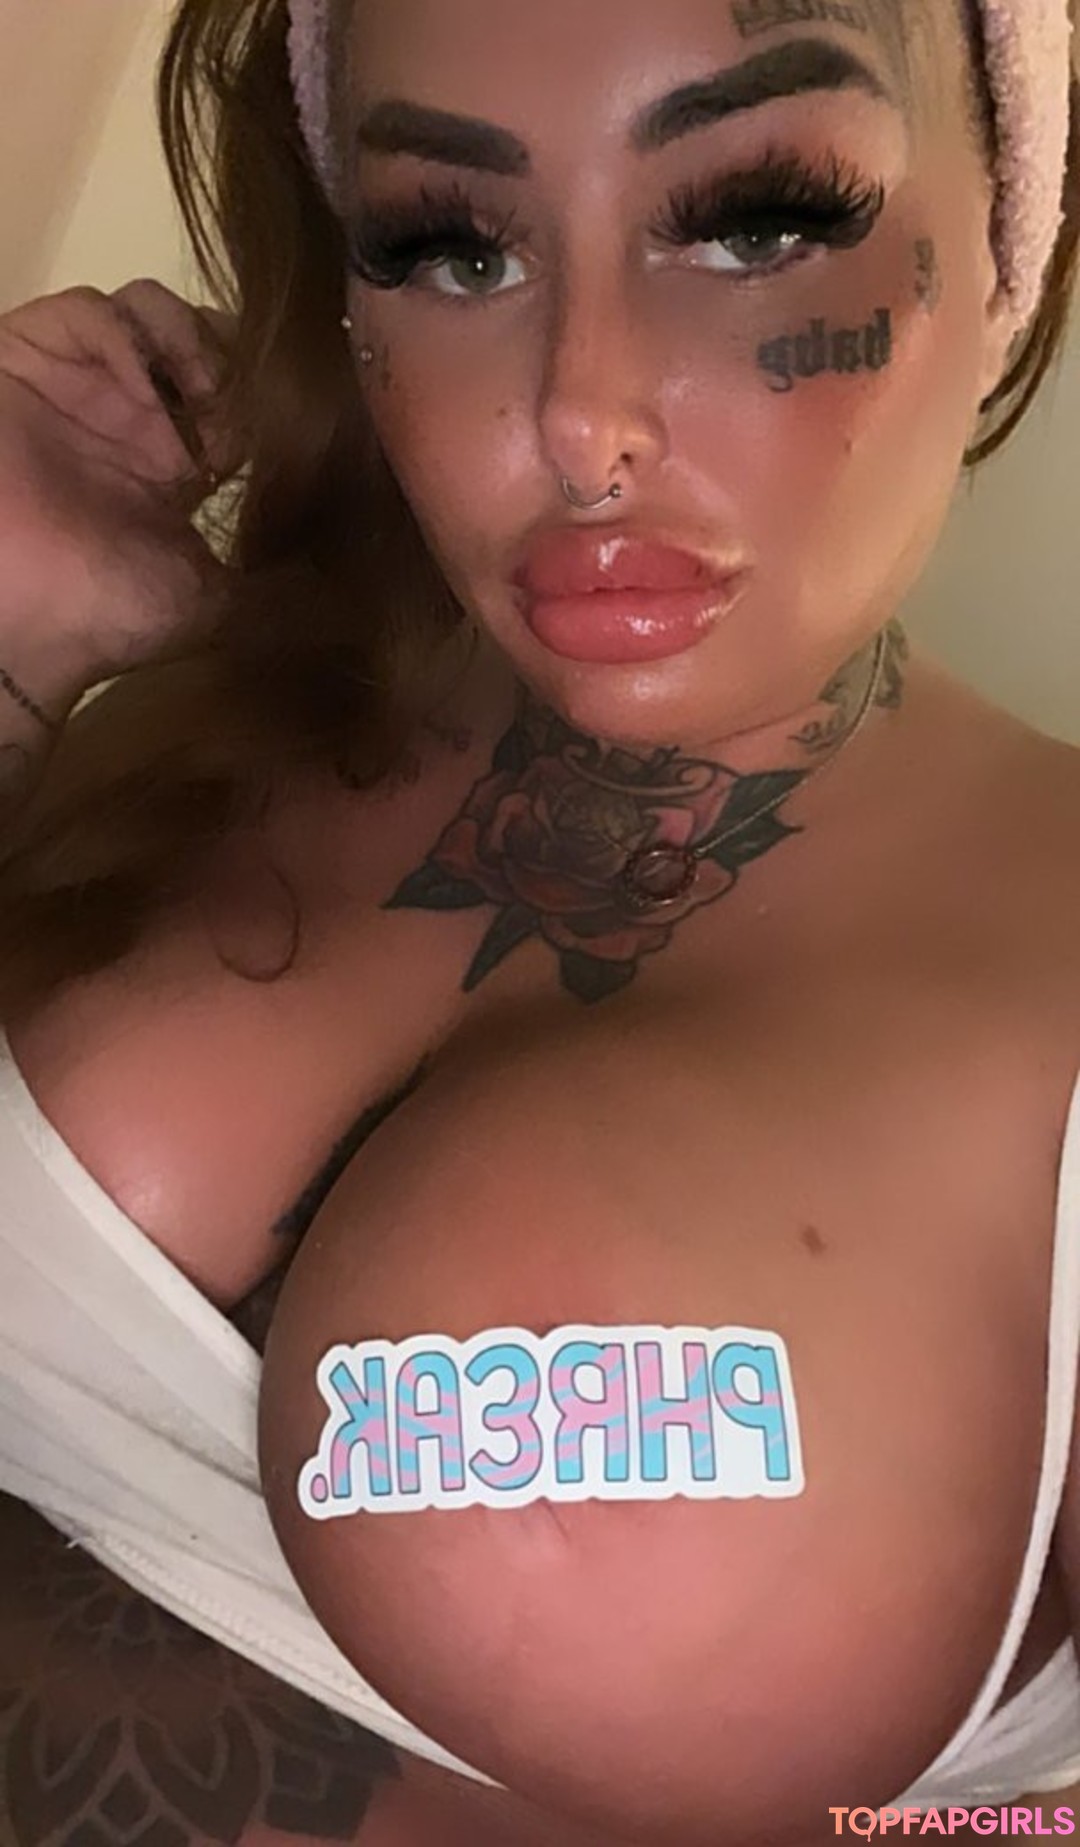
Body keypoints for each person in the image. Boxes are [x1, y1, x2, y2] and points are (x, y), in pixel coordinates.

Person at [0, 0, 1079, 1841]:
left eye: (757, 218)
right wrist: (22, 640)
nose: (580, 420)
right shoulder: (228, 706)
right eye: (450, 245)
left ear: (1006, 254)